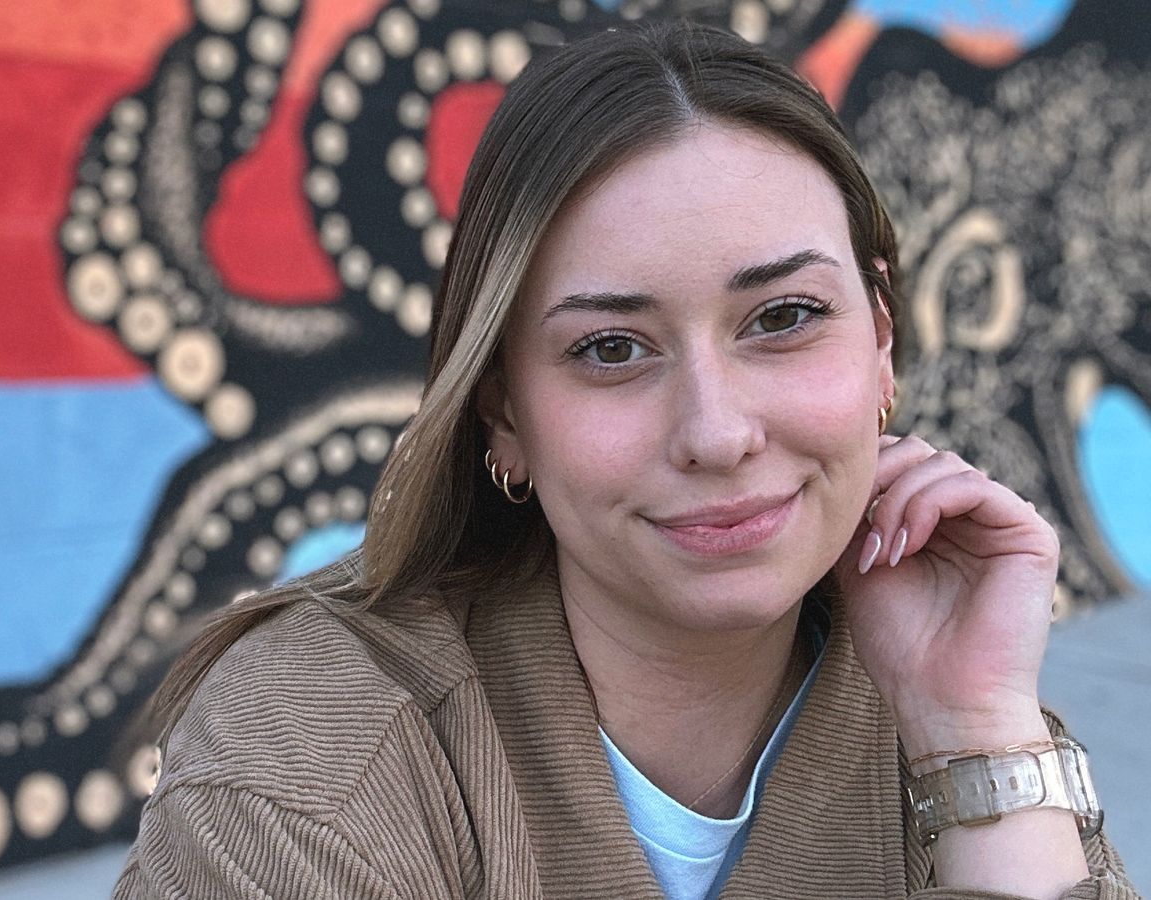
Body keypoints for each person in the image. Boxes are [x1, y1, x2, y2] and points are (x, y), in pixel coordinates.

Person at [113, 19, 1140, 900]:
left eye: (784, 317)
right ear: (503, 412)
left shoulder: (938, 700)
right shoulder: (311, 750)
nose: (717, 434)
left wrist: (977, 736)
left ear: (880, 338)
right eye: (611, 349)